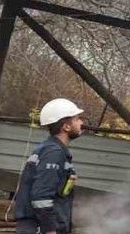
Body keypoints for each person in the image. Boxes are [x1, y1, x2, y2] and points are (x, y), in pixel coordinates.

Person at [14, 98, 86, 234]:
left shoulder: (49, 149)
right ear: (66, 127)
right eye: (77, 119)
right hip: (40, 228)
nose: (81, 122)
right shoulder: (53, 153)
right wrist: (50, 229)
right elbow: (41, 198)